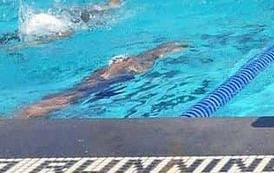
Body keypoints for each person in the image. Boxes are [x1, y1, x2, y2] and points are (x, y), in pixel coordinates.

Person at [14, 42, 186, 118]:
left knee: (74, 93)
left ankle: (28, 112)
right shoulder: (143, 62)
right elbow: (116, 71)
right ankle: (27, 113)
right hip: (107, 78)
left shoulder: (137, 59)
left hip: (103, 76)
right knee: (74, 96)